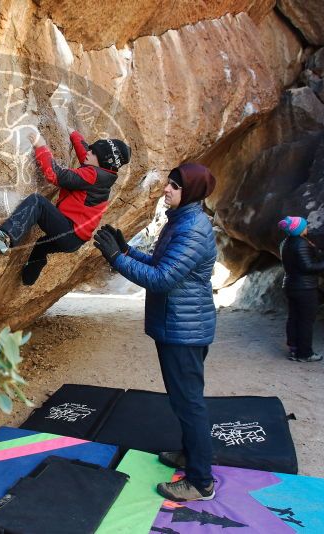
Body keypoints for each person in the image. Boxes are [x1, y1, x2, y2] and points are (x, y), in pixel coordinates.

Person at [93, 163, 217, 502]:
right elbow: (163, 264)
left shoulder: (191, 228)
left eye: (174, 186)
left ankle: (201, 482)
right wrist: (129, 251)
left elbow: (163, 278)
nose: (166, 189)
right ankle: (190, 455)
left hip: (184, 330)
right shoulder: (182, 220)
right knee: (183, 400)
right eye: (168, 183)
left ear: (189, 192)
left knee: (190, 404)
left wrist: (117, 259)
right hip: (179, 325)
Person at [0, 128, 130, 285]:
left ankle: (5, 238)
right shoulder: (105, 174)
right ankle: (28, 279)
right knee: (41, 246)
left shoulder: (93, 175)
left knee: (37, 202)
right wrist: (74, 135)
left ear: (102, 161)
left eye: (93, 153)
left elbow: (55, 175)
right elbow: (86, 153)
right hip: (74, 240)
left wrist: (41, 146)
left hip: (69, 231)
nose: (88, 153)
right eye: (91, 149)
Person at [278, 216, 324, 362]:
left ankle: (294, 349)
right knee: (305, 321)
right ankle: (305, 353)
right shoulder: (300, 244)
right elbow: (307, 267)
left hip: (291, 285)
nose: (307, 227)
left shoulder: (285, 243)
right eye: (304, 225)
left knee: (294, 318)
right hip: (304, 288)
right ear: (299, 229)